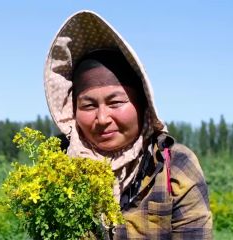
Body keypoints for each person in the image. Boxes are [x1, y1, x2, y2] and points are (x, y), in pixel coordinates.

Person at [44, 10, 212, 239]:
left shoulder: (174, 165)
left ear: (143, 104)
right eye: (89, 105)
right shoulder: (56, 163)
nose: (102, 119)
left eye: (116, 102)